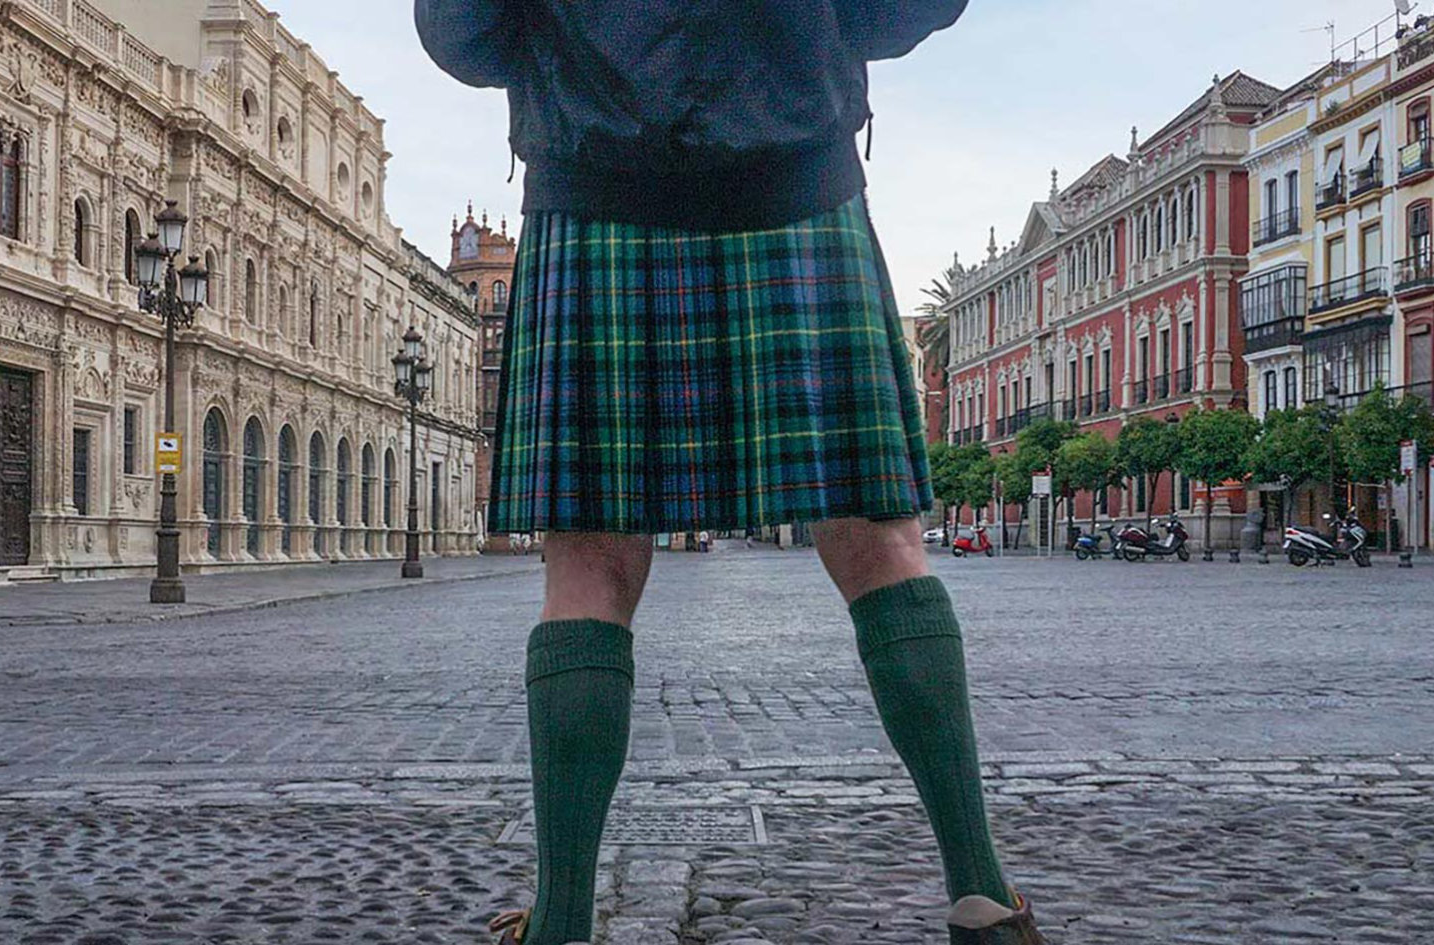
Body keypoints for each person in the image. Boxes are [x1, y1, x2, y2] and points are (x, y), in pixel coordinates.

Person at [415, 3, 1043, 943]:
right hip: (794, 181)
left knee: (589, 566)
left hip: (595, 197)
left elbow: (458, 29)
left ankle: (561, 924)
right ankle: (983, 897)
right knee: (881, 546)